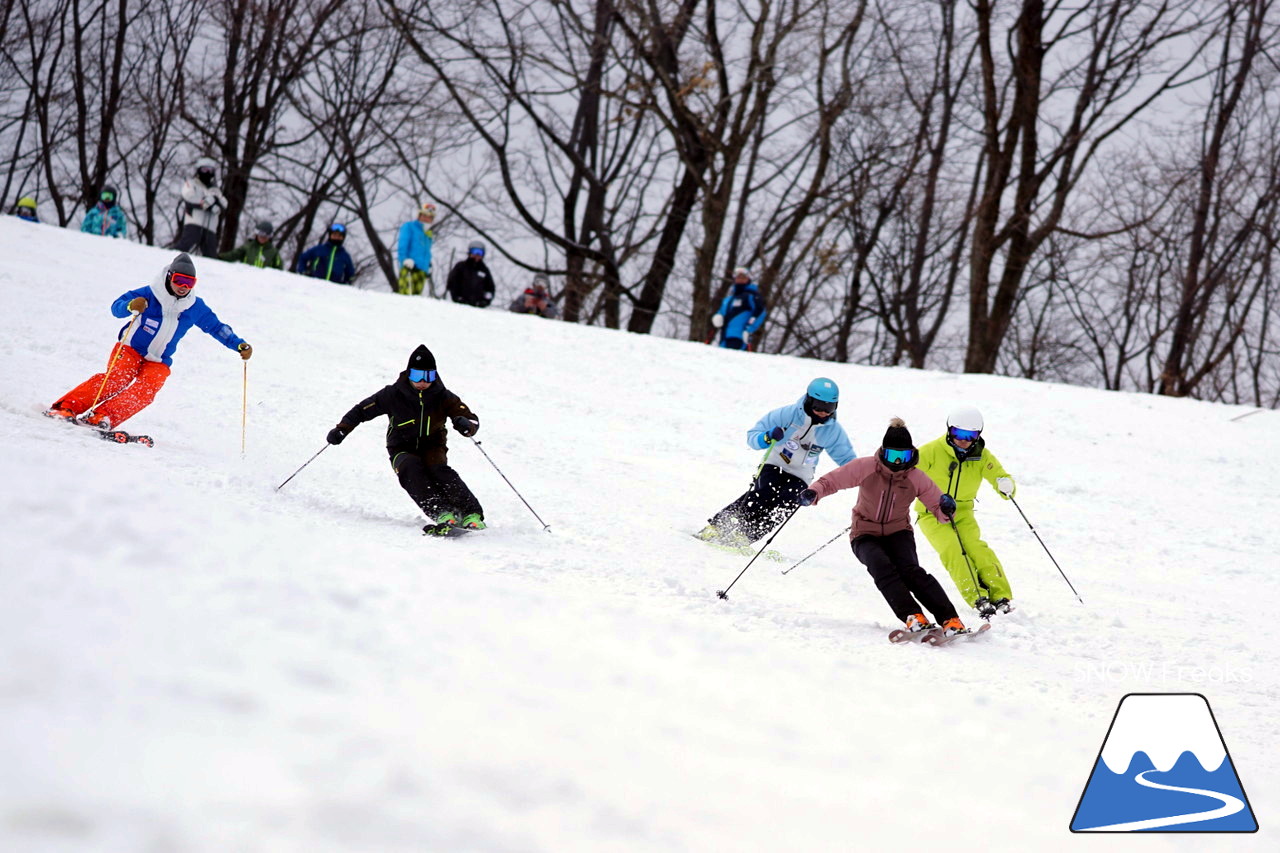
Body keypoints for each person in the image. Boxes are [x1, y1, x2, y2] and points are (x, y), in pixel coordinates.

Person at [798, 418, 969, 637]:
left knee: (912, 572)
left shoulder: (916, 477)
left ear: (911, 454)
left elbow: (938, 507)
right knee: (882, 567)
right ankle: (913, 616)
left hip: (899, 532)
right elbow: (832, 481)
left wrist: (947, 508)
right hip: (864, 533)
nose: (898, 462)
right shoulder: (866, 467)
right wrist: (814, 491)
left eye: (903, 457)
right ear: (883, 452)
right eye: (893, 456)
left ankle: (950, 619)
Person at [45, 253, 252, 429]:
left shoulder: (195, 306)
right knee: (117, 379)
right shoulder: (150, 293)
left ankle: (103, 416)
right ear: (169, 276)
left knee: (146, 390)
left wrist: (238, 344)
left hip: (159, 360)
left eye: (190, 283)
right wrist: (130, 306)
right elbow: (116, 306)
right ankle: (67, 406)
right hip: (130, 349)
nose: (183, 287)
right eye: (179, 280)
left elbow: (216, 327)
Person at [325, 345, 486, 535]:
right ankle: (441, 512)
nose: (423, 382)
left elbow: (471, 419)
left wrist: (465, 424)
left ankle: (471, 514)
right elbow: (361, 410)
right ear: (409, 373)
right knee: (411, 470)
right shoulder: (392, 394)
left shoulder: (443, 396)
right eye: (418, 376)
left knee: (439, 470)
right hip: (401, 447)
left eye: (429, 377)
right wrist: (342, 429)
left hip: (432, 446)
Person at [697, 377, 856, 547]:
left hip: (801, 474)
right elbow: (752, 436)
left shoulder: (833, 431)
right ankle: (718, 526)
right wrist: (767, 437)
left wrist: (864, 475)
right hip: (774, 463)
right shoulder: (787, 415)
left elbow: (848, 460)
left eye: (829, 407)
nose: (824, 412)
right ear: (809, 400)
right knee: (764, 492)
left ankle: (746, 536)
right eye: (819, 406)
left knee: (788, 502)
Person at [913, 406, 1017, 618]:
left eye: (970, 436)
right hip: (932, 513)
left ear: (978, 435)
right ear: (949, 431)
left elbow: (999, 475)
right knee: (953, 550)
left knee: (977, 549)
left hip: (963, 512)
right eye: (958, 434)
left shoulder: (981, 456)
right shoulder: (931, 451)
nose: (963, 440)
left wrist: (1005, 485)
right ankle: (977, 596)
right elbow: (907, 474)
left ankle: (1001, 596)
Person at [175, 158, 227, 255]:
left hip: (210, 226)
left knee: (210, 253)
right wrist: (204, 202)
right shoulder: (192, 183)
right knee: (185, 245)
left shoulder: (215, 189)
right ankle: (171, 260)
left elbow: (224, 203)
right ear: (199, 170)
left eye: (210, 170)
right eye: (204, 170)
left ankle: (210, 269)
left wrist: (216, 202)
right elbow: (188, 196)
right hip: (194, 222)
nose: (207, 173)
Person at [710, 267, 766, 350]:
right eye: (738, 277)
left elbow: (760, 312)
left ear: (748, 279)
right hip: (724, 336)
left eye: (743, 277)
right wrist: (718, 316)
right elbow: (721, 312)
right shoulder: (728, 299)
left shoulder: (751, 296)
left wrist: (749, 329)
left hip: (740, 337)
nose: (740, 279)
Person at [397, 202, 435, 295]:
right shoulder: (410, 227)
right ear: (420, 215)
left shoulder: (428, 233)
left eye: (430, 217)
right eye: (425, 215)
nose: (427, 218)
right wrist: (404, 259)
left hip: (422, 270)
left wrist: (428, 265)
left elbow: (427, 251)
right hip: (410, 267)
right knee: (406, 294)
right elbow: (403, 244)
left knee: (416, 297)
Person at [445, 240, 495, 307]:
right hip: (459, 305)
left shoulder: (484, 271)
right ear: (469, 252)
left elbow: (490, 289)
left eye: (480, 253)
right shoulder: (461, 267)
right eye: (474, 252)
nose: (477, 255)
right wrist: (457, 297)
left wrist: (485, 301)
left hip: (477, 308)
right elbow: (452, 283)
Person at [219, 219, 284, 269]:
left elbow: (279, 268)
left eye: (265, 236)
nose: (262, 238)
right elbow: (233, 255)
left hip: (264, 282)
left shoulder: (273, 252)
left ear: (269, 237)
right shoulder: (248, 247)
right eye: (260, 235)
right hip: (247, 277)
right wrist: (219, 257)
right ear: (256, 235)